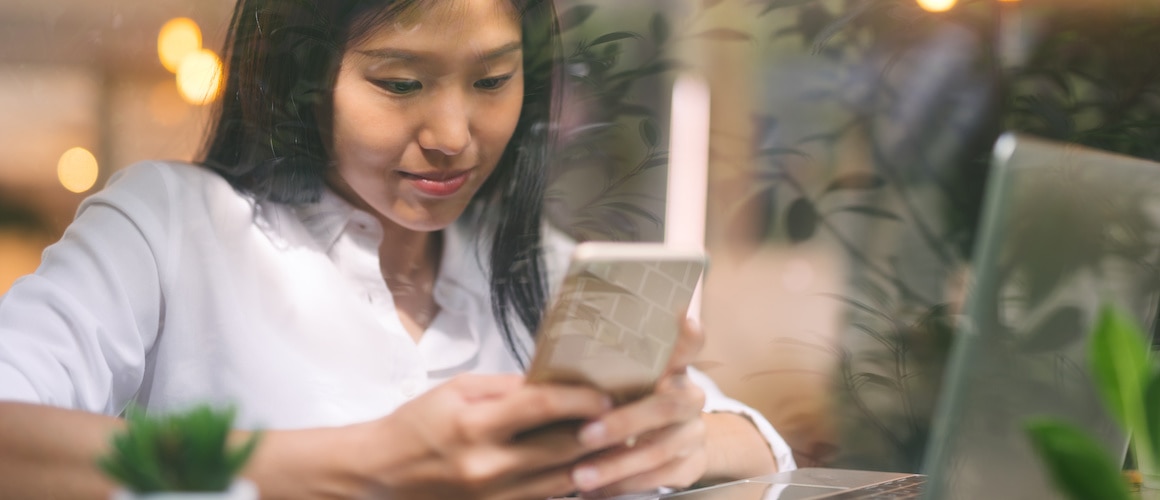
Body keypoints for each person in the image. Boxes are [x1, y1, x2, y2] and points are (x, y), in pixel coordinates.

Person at [0, 0, 795, 498]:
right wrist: (368, 464)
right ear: (299, 80)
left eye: (492, 81)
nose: (453, 137)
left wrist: (673, 444)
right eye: (400, 83)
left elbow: (756, 438)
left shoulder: (531, 263)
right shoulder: (172, 224)